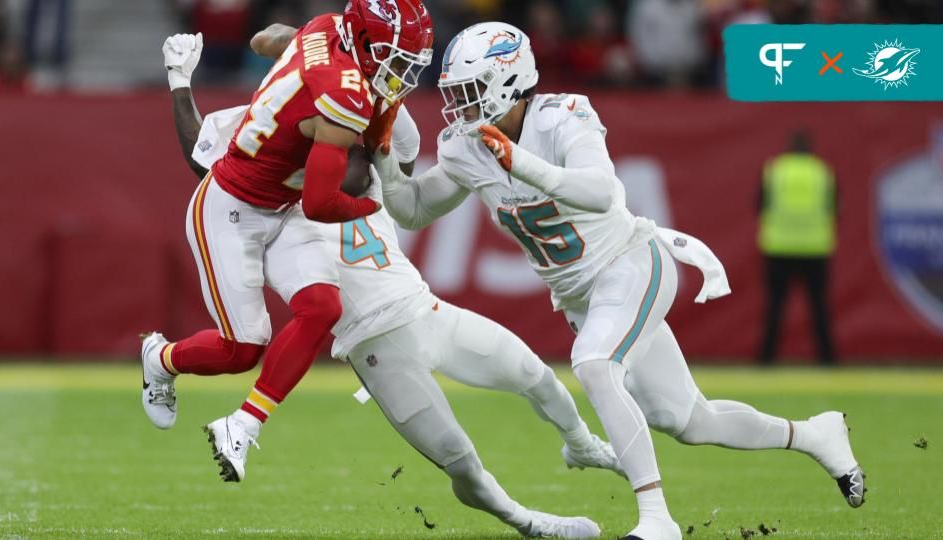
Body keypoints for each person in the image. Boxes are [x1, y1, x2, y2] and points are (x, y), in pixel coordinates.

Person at [371, 22, 865, 539]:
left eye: (470, 94)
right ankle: (814, 435)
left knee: (593, 363)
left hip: (630, 265)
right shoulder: (463, 146)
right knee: (688, 420)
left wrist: (521, 162)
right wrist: (385, 160)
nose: (462, 109)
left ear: (508, 81)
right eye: (456, 96)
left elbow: (601, 192)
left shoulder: (564, 115)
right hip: (581, 294)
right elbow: (413, 210)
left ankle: (657, 520)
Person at [156, 33, 621, 540]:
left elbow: (384, 128)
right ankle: (528, 523)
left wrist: (301, 47)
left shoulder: (363, 113)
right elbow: (204, 162)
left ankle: (580, 442)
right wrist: (181, 82)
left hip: (421, 306)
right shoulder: (266, 155)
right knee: (461, 461)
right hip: (374, 343)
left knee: (534, 373)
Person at [140, 0, 434, 484]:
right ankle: (159, 358)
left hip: (284, 201)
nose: (402, 70)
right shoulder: (343, 96)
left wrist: (299, 51)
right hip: (232, 210)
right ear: (364, 44)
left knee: (322, 308)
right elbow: (321, 204)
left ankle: (243, 424)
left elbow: (267, 38)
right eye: (395, 56)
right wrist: (371, 205)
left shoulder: (329, 30)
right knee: (241, 349)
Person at [757, 130, 838, 365]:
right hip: (815, 248)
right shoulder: (822, 172)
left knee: (775, 308)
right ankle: (828, 360)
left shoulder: (775, 171)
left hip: (778, 247)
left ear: (789, 148)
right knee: (819, 308)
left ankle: (765, 360)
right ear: (810, 150)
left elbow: (761, 205)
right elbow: (835, 208)